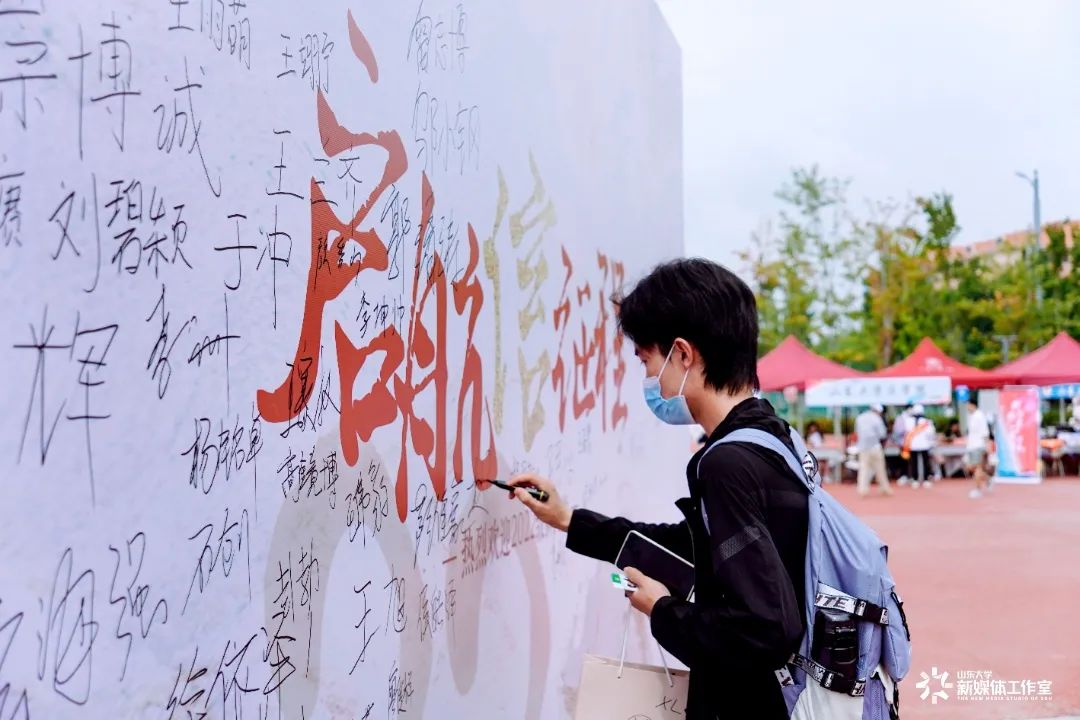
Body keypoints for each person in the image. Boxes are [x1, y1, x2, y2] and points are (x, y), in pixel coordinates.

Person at [504, 259, 807, 719]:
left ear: (683, 354)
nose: (649, 380)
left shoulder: (727, 463)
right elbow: (705, 547)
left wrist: (662, 611)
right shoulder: (773, 438)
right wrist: (569, 519)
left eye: (647, 360)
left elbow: (766, 628)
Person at [855, 403, 892, 497]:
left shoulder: (860, 418)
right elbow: (882, 434)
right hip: (875, 446)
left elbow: (857, 431)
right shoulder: (877, 419)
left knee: (863, 469)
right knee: (880, 469)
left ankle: (862, 490)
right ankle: (885, 489)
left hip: (863, 447)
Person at [903, 404, 937, 488]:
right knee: (925, 463)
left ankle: (915, 479)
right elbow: (931, 434)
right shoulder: (927, 421)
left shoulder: (908, 421)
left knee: (914, 463)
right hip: (924, 444)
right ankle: (925, 479)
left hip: (913, 445)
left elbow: (906, 432)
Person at [966, 398, 992, 498]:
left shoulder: (980, 416)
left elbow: (985, 432)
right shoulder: (972, 416)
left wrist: (987, 446)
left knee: (977, 467)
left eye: (968, 405)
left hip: (978, 445)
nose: (967, 407)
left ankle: (978, 489)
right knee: (970, 467)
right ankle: (987, 479)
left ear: (973, 405)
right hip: (971, 446)